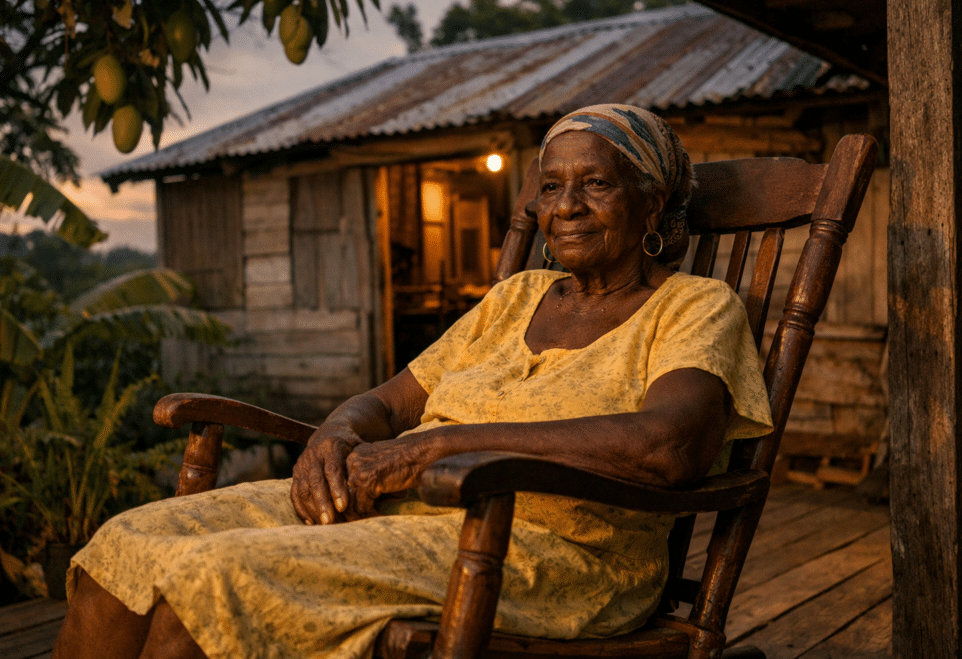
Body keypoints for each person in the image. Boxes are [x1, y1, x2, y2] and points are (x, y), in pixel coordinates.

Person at [52, 104, 773, 659]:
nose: (566, 206)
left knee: (209, 581)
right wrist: (338, 433)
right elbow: (392, 399)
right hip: (407, 517)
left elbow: (668, 446)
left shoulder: (694, 305)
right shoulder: (517, 296)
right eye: (551, 187)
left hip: (556, 552)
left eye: (595, 184)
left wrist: (436, 450)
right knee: (129, 545)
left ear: (650, 200)